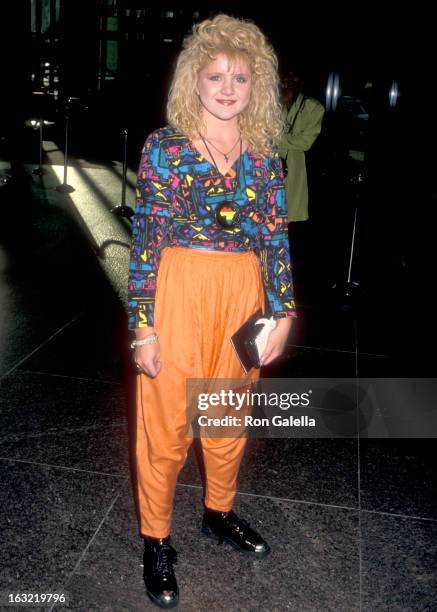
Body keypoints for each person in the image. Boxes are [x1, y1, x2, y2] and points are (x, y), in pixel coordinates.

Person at [127, 14, 296, 609]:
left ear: (258, 87)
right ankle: (156, 538)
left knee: (226, 416)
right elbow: (145, 242)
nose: (228, 88)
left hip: (243, 292)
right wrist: (142, 328)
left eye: (242, 78)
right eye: (216, 74)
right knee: (166, 425)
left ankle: (218, 512)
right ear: (193, 80)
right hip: (179, 286)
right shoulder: (165, 149)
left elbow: (275, 238)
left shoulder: (264, 156)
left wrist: (284, 312)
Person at [279, 71, 325, 222]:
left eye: (294, 77)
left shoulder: (314, 107)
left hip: (299, 170)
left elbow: (305, 142)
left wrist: (276, 138)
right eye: (285, 78)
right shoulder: (273, 104)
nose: (289, 82)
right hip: (272, 167)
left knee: (292, 215)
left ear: (301, 82)